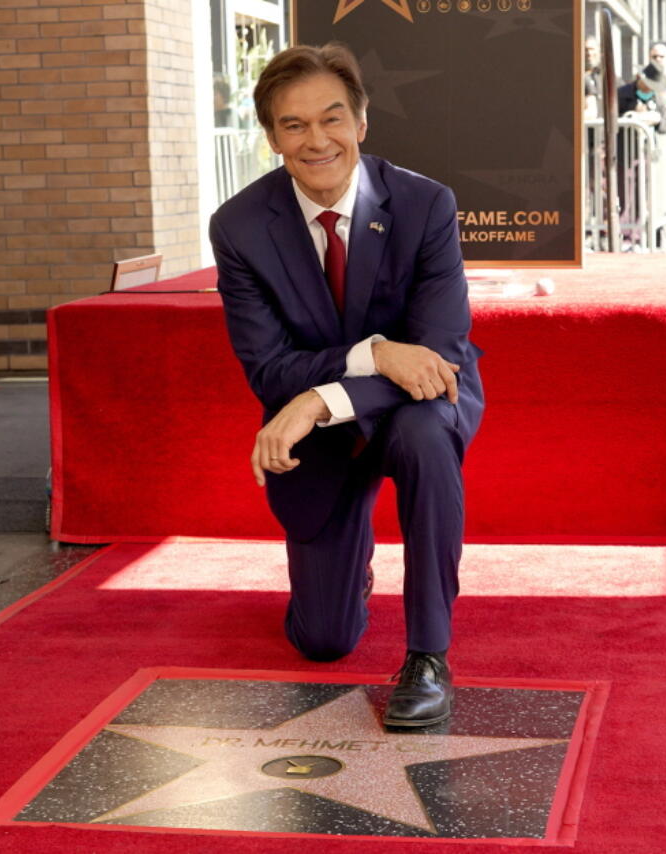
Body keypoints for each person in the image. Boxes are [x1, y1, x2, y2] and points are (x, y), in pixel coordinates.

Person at [209, 43, 484, 728]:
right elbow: (268, 366)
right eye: (293, 125)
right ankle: (347, 570)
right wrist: (377, 354)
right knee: (323, 641)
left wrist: (319, 397)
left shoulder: (424, 205)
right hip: (320, 438)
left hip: (407, 408)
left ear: (361, 123)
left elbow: (440, 358)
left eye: (332, 118)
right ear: (272, 137)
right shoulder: (240, 228)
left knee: (425, 433)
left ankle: (428, 656)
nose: (316, 140)